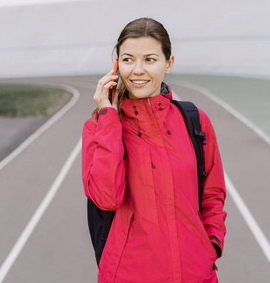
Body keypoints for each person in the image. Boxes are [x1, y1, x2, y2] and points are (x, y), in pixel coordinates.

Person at [82, 17, 227, 283]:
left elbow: (213, 194)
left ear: (168, 64)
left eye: (149, 59)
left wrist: (211, 246)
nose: (137, 70)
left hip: (195, 273)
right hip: (128, 275)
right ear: (116, 65)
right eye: (127, 60)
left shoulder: (195, 120)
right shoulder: (98, 128)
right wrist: (110, 119)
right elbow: (106, 198)